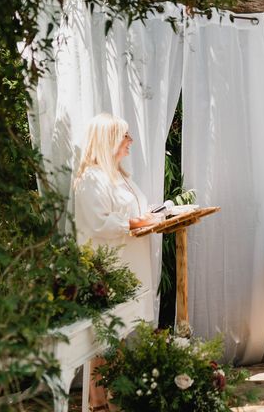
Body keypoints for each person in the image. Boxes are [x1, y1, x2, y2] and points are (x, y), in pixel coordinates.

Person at [74, 113, 159, 411]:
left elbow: (134, 210)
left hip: (131, 266)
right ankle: (99, 402)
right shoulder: (91, 178)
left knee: (118, 335)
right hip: (110, 270)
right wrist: (136, 223)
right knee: (105, 337)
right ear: (108, 140)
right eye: (125, 136)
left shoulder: (121, 174)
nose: (130, 142)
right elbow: (97, 222)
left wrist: (154, 215)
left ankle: (112, 398)